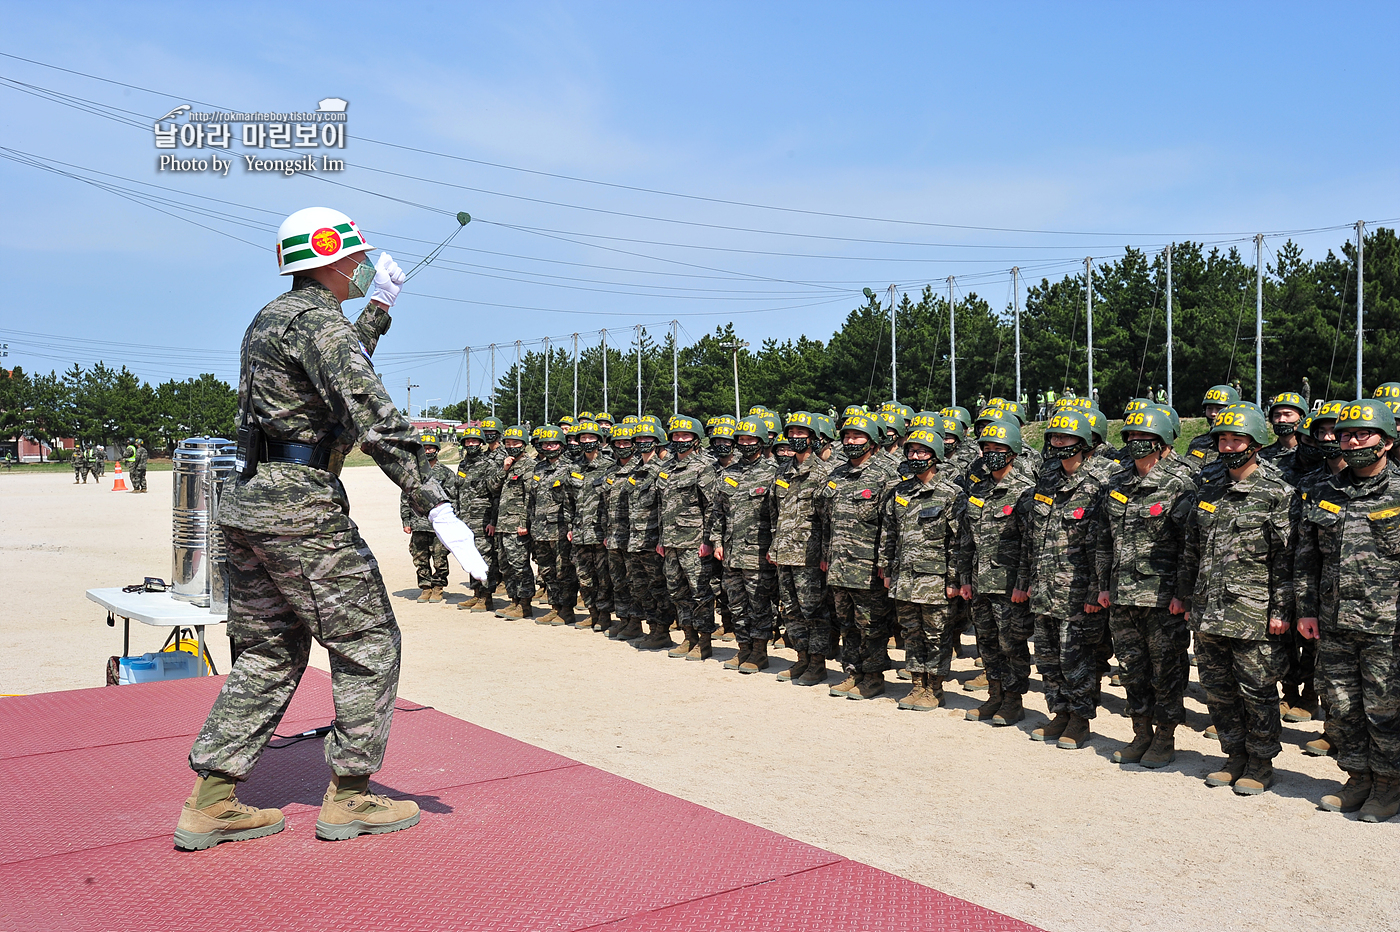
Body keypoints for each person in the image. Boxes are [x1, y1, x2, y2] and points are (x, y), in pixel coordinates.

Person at [177, 206, 486, 851]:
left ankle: (212, 800)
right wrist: (434, 502)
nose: (361, 266)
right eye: (356, 258)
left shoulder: (274, 317)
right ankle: (351, 796)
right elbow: (370, 411)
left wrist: (378, 309)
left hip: (250, 505)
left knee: (269, 651)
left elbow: (328, 380)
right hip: (302, 512)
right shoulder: (322, 324)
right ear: (330, 257)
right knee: (368, 642)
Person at [1178, 404, 1293, 795]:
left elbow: (1286, 560)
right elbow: (1191, 551)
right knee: (1217, 688)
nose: (1228, 446)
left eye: (1236, 439)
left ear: (1256, 442)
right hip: (1209, 612)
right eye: (1222, 439)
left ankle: (1260, 762)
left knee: (1257, 691)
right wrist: (1187, 598)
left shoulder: (1277, 493)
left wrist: (1280, 612)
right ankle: (1233, 754)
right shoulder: (1209, 491)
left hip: (1253, 614)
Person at [1295, 401, 1400, 822]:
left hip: (1387, 628)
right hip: (1334, 622)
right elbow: (1305, 559)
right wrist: (1306, 610)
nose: (1352, 442)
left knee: (1385, 710)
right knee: (1342, 708)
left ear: (1387, 442)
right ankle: (1357, 777)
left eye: (1362, 434)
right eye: (1345, 435)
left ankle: (1389, 786)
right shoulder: (1323, 491)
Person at [1094, 404, 1198, 769]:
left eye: (1146, 437)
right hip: (1122, 594)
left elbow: (1191, 546)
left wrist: (1181, 593)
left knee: (1165, 669)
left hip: (1162, 598)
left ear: (1164, 441)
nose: (1137, 443)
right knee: (1132, 668)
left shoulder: (1181, 484)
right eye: (1133, 437)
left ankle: (1165, 736)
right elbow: (1105, 538)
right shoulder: (1117, 482)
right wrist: (1103, 585)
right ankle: (1141, 732)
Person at [1014, 409, 1106, 748]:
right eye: (1053, 437)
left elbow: (1102, 544)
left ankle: (1080, 719)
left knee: (1076, 659)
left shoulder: (1097, 486)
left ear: (1082, 443)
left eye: (1064, 438)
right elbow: (1032, 538)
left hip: (1077, 592)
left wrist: (1096, 591)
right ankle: (1059, 712)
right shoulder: (1047, 480)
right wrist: (1024, 582)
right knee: (1048, 658)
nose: (1057, 443)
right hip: (1043, 588)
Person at [958, 413, 1035, 726]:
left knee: (1011, 645)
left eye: (997, 447)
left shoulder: (1026, 492)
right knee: (987, 643)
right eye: (986, 447)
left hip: (1009, 587)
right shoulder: (977, 491)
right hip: (980, 583)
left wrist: (1024, 583)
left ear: (1013, 451)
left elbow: (1032, 545)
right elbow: (966, 541)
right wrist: (964, 579)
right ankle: (995, 694)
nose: (991, 453)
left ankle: (1014, 701)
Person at [881, 427, 962, 710]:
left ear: (935, 455)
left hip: (935, 580)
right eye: (912, 451)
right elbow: (889, 533)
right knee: (911, 632)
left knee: (936, 634)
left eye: (922, 451)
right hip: (904, 577)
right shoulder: (900, 491)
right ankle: (917, 684)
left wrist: (954, 579)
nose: (916, 456)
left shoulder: (951, 494)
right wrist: (887, 569)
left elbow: (957, 543)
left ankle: (935, 688)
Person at [820, 412, 899, 700]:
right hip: (840, 564)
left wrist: (885, 563)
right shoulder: (836, 474)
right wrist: (826, 554)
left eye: (858, 436)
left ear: (872, 441)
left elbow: (892, 525)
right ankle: (853, 672)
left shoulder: (886, 476)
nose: (851, 441)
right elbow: (828, 520)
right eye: (847, 436)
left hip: (868, 567)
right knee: (847, 623)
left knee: (872, 625)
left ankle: (874, 677)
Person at [770, 411, 835, 685]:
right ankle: (802, 658)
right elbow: (776, 513)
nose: (795, 438)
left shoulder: (824, 473)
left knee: (814, 612)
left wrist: (825, 555)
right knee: (792, 611)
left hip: (809, 556)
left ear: (813, 438)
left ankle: (818, 664)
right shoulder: (782, 471)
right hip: (784, 553)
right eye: (792, 433)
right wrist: (774, 547)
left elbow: (829, 520)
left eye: (801, 433)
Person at [713, 419, 778, 672]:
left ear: (761, 442)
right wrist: (717, 542)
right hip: (731, 552)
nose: (746, 444)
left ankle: (760, 652)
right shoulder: (728, 473)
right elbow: (718, 513)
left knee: (759, 603)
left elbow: (777, 515)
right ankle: (743, 648)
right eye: (742, 440)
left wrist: (775, 547)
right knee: (736, 604)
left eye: (751, 440)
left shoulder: (773, 472)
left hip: (759, 553)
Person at [657, 416, 720, 660]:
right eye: (676, 436)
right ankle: (688, 636)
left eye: (686, 436)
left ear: (695, 439)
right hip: (671, 542)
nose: (680, 440)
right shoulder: (667, 469)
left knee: (700, 593)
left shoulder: (704, 467)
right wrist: (662, 539)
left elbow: (712, 507)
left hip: (695, 543)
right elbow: (663, 507)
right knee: (677, 592)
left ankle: (704, 641)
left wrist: (708, 540)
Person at [625, 421, 676, 650]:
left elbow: (667, 507)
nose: (642, 444)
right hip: (635, 540)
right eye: (638, 440)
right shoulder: (636, 469)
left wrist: (663, 539)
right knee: (640, 588)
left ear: (657, 442)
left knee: (658, 588)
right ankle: (652, 628)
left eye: (647, 440)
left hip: (652, 540)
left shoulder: (663, 469)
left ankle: (662, 631)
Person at [566, 421, 615, 631]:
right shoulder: (574, 468)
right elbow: (568, 501)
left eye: (590, 438)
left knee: (603, 576)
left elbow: (612, 502)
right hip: (579, 531)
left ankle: (604, 616)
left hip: (600, 532)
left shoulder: (609, 466)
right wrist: (570, 526)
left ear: (599, 439)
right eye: (583, 438)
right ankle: (591, 612)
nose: (586, 442)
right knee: (584, 576)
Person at [527, 426, 578, 626]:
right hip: (540, 530)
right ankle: (554, 607)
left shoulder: (570, 468)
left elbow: (573, 501)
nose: (548, 447)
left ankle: (567, 609)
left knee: (564, 571)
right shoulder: (538, 468)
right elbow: (532, 500)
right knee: (547, 571)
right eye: (545, 444)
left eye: (553, 443)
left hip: (560, 530)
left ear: (562, 445)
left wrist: (572, 527)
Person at [402, 435, 456, 602]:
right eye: (424, 448)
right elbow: (405, 497)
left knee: (440, 556)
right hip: (418, 523)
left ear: (437, 450)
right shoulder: (412, 473)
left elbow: (453, 497)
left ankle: (438, 587)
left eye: (431, 448)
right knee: (420, 556)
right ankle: (425, 587)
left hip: (439, 523)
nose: (428, 451)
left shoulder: (446, 473)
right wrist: (406, 520)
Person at [454, 426, 502, 612]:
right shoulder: (463, 465)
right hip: (465, 520)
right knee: (470, 557)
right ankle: (476, 593)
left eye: (474, 441)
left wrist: (493, 521)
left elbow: (495, 494)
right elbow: (458, 492)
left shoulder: (489, 465)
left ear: (481, 443)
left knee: (485, 558)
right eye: (467, 441)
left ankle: (486, 597)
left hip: (483, 520)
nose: (471, 444)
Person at [493, 425, 536, 620]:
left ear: (524, 444)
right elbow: (493, 489)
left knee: (520, 566)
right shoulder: (507, 465)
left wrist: (524, 523)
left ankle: (525, 604)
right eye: (508, 443)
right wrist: (504, 469)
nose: (511, 447)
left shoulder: (529, 466)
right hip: (503, 524)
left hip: (517, 526)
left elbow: (530, 497)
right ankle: (514, 600)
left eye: (515, 443)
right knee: (506, 565)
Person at [1186, 385, 1240, 467]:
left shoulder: (1238, 446)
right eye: (1209, 408)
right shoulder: (1197, 442)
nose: (1213, 413)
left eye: (1219, 409)